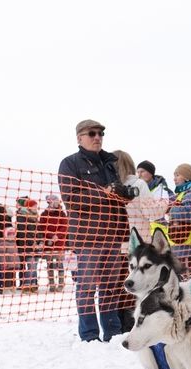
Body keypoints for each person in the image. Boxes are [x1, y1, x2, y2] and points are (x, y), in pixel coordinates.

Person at [57, 119, 133, 343]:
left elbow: (117, 198)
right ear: (79, 138)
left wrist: (124, 193)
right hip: (88, 238)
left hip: (115, 236)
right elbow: (71, 197)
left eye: (101, 133)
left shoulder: (110, 163)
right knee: (87, 288)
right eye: (92, 133)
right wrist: (105, 192)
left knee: (111, 288)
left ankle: (113, 333)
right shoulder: (69, 164)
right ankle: (89, 336)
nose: (97, 137)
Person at [39, 194, 68, 292]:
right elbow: (42, 227)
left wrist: (57, 235)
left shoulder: (62, 214)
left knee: (60, 264)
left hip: (59, 243)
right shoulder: (44, 214)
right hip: (49, 243)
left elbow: (65, 227)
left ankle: (61, 284)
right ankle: (52, 284)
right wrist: (51, 236)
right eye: (50, 202)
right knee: (50, 264)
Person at [16, 198, 42, 293]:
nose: (36, 208)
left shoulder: (35, 217)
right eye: (34, 206)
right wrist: (32, 243)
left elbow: (39, 232)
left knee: (34, 266)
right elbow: (24, 232)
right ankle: (26, 285)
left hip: (36, 246)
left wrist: (40, 242)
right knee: (31, 266)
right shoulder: (22, 216)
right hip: (27, 245)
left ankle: (33, 285)